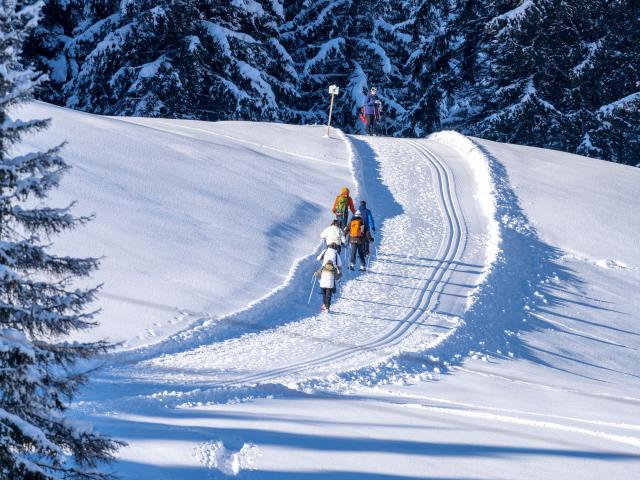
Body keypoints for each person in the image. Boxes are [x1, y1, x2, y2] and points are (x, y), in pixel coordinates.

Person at [316, 243, 342, 312]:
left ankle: (324, 305)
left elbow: (318, 258)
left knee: (324, 292)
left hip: (323, 271)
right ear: (336, 248)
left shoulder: (325, 251)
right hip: (332, 272)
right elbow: (339, 264)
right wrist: (339, 275)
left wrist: (317, 274)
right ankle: (327, 307)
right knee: (329, 293)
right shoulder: (336, 254)